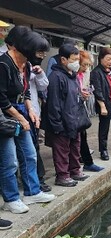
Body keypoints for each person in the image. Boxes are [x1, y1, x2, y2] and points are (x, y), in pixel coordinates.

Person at [0, 28, 55, 214]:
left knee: (29, 154)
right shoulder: (3, 64)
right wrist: (20, 117)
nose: (40, 55)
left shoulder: (27, 65)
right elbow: (1, 98)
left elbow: (25, 91)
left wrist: (31, 110)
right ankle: (11, 199)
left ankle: (32, 192)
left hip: (21, 109)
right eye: (38, 51)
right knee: (9, 160)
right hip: (5, 114)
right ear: (23, 47)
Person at [47, 44, 90, 187]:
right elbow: (53, 104)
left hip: (74, 120)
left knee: (74, 148)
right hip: (62, 122)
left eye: (78, 59)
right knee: (61, 150)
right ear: (63, 60)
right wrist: (57, 124)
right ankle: (62, 175)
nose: (76, 63)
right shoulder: (56, 77)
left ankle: (75, 171)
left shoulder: (72, 76)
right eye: (74, 59)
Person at [77, 50, 103, 172]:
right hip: (71, 111)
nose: (86, 68)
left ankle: (87, 162)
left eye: (88, 65)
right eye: (84, 65)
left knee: (83, 135)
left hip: (80, 107)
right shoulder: (71, 74)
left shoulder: (84, 73)